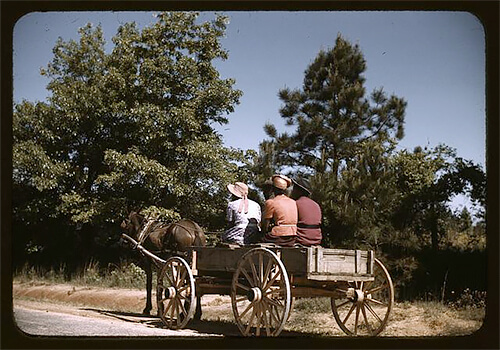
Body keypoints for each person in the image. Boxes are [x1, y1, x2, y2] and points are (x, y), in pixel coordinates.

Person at [261, 174, 298, 247]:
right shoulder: (293, 202)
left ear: (273, 189)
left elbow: (265, 225)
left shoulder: (271, 202)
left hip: (278, 236)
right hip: (293, 236)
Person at [290, 177, 322, 246]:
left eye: (294, 188)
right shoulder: (316, 205)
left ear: (299, 191)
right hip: (316, 239)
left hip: (301, 239)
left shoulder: (295, 204)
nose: (292, 191)